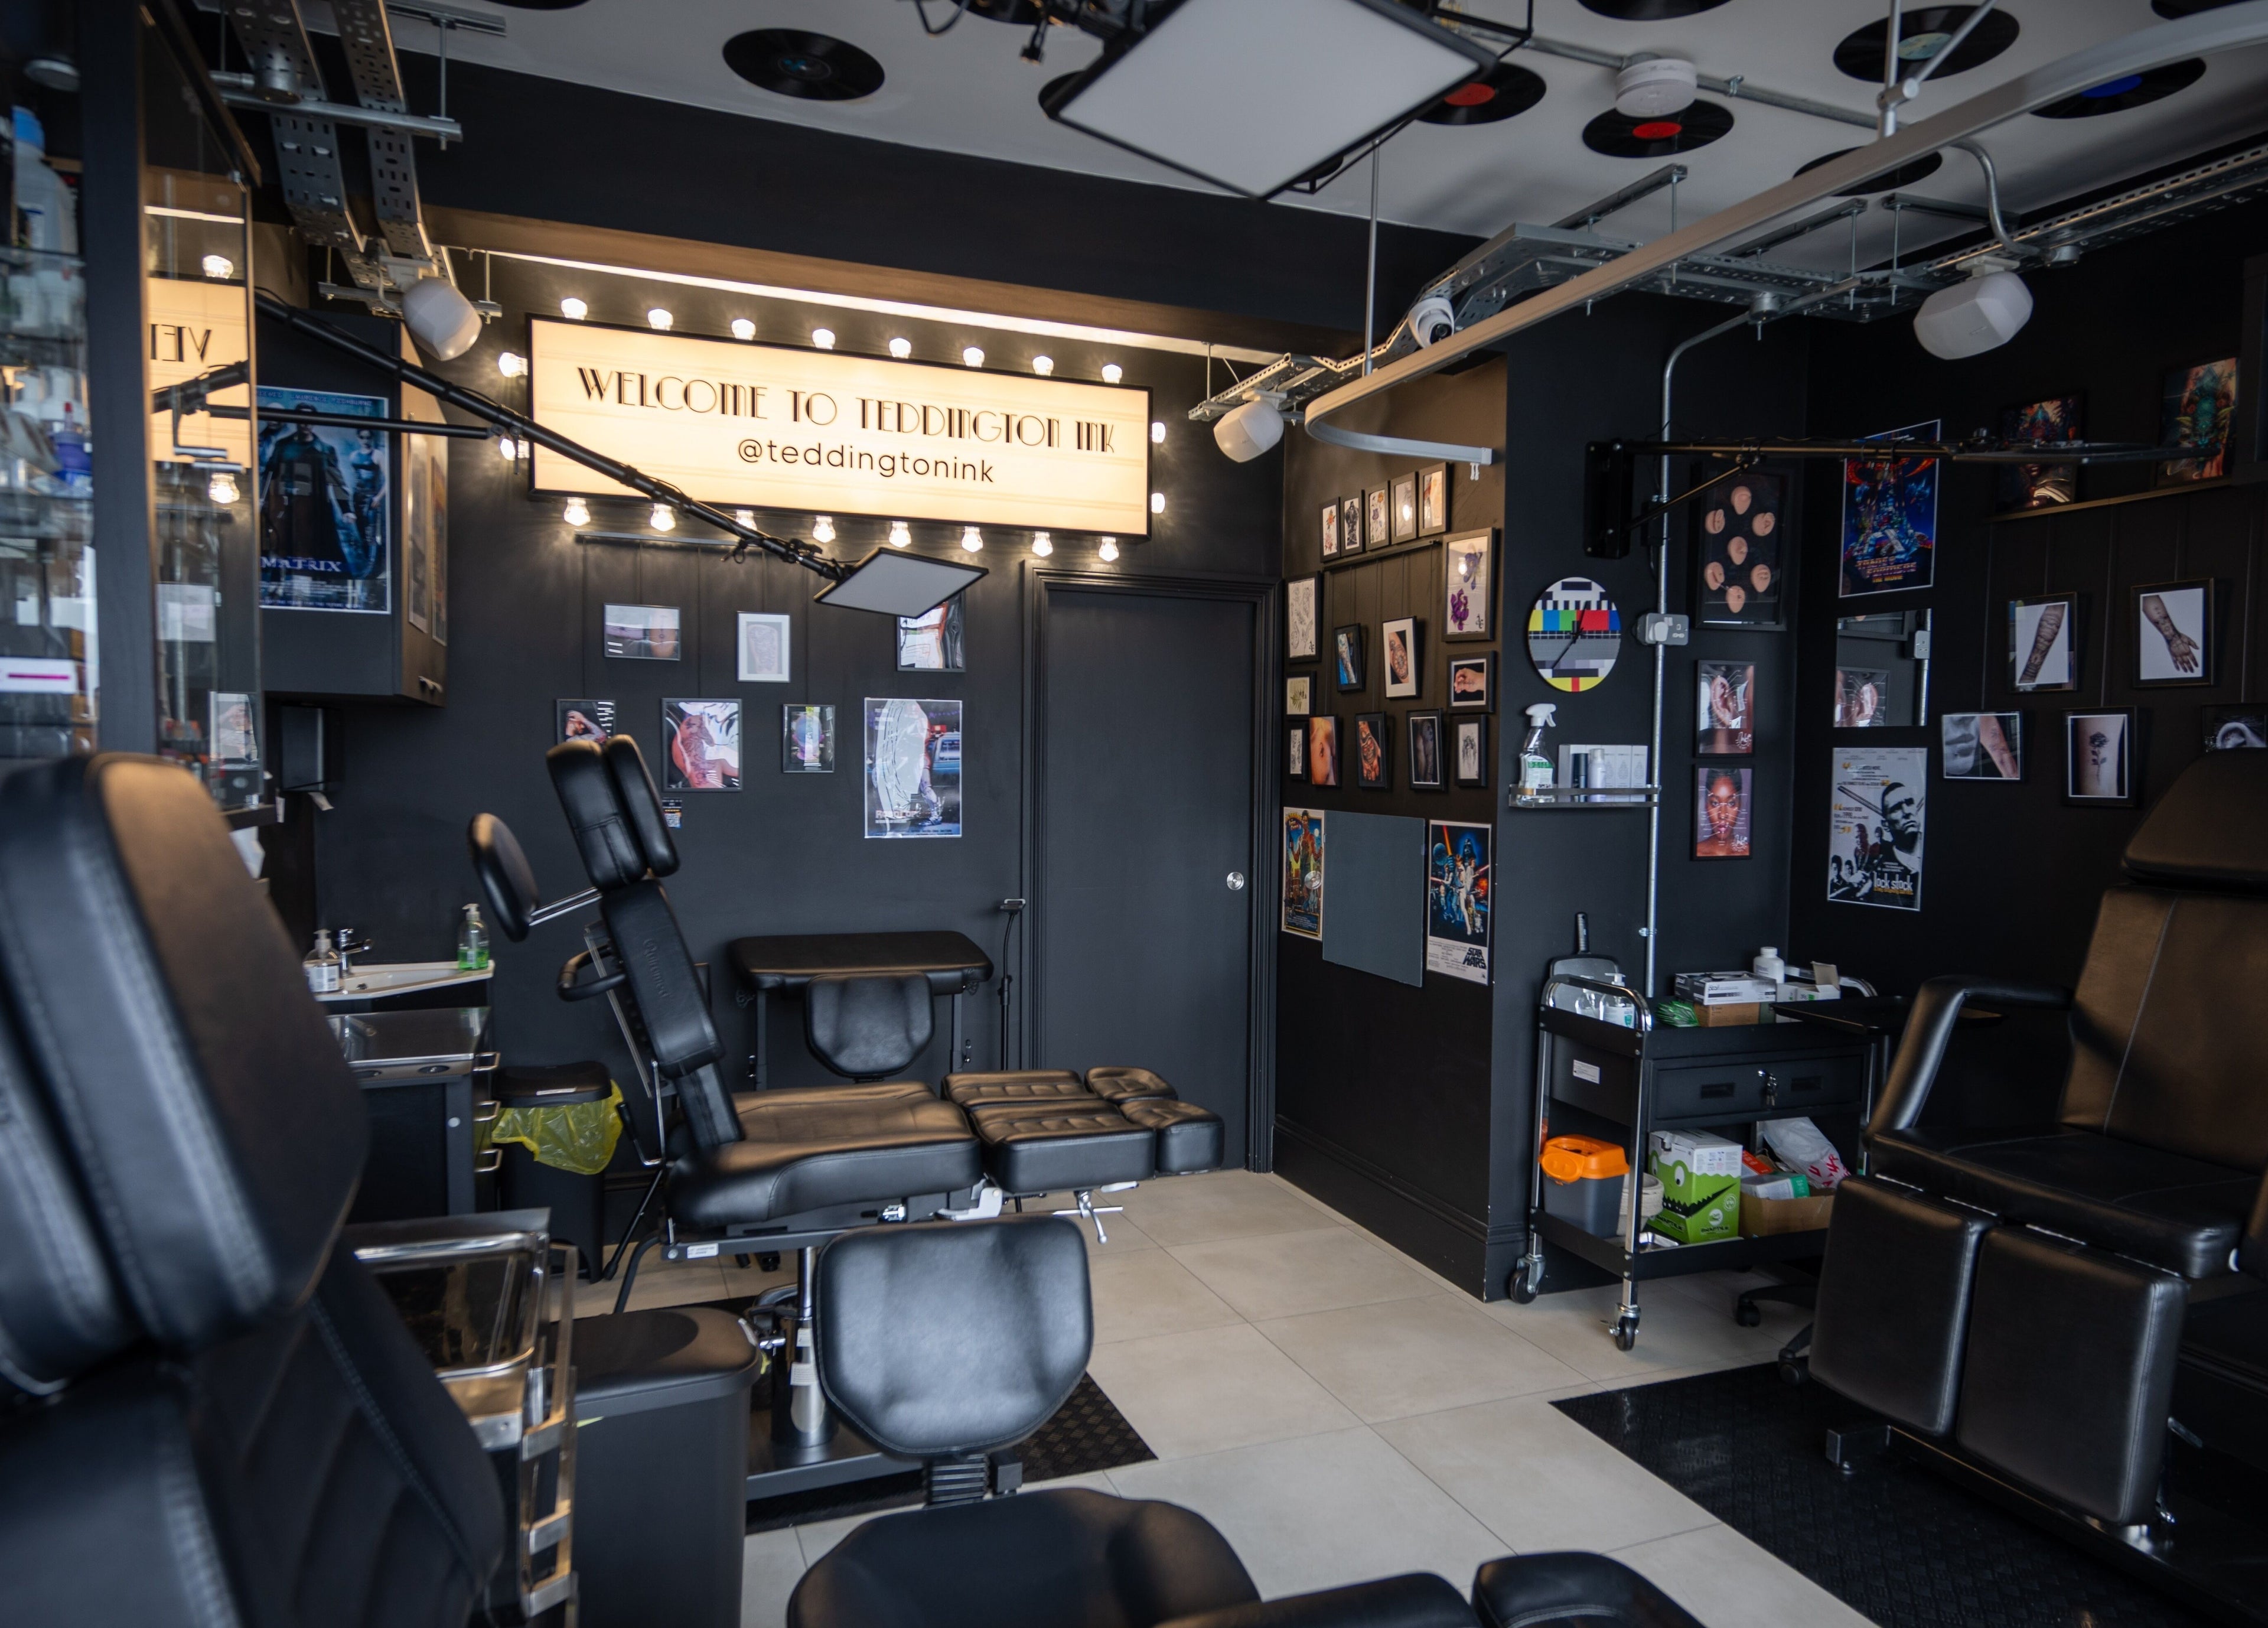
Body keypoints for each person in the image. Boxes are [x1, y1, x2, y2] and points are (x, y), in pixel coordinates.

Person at [1695, 770, 1749, 857]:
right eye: (1715, 803)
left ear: (1740, 805)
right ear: (1706, 805)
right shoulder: (1696, 852)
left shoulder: (1750, 853)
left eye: (1731, 803)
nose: (1723, 815)